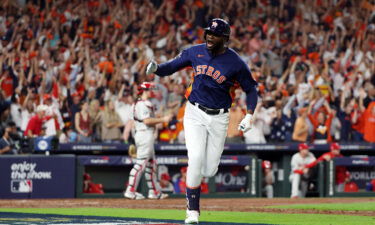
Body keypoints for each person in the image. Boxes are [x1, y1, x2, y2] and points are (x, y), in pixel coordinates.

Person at [146, 18, 258, 224]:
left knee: (209, 170)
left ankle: (196, 197)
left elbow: (251, 89)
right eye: (208, 32)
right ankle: (192, 211)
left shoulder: (235, 62)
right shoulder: (194, 52)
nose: (209, 36)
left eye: (214, 34)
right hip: (194, 112)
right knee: (195, 158)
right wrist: (156, 68)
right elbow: (169, 68)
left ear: (224, 38)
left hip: (220, 117)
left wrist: (249, 114)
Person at [123, 82, 172, 200]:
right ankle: (130, 190)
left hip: (141, 134)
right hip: (145, 134)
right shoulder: (143, 104)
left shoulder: (135, 104)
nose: (152, 91)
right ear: (144, 91)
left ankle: (154, 192)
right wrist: (163, 119)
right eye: (150, 89)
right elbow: (147, 121)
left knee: (151, 164)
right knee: (141, 164)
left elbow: (134, 122)